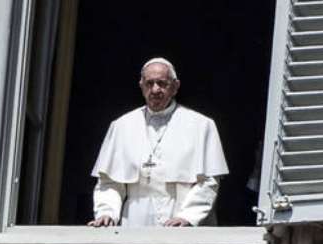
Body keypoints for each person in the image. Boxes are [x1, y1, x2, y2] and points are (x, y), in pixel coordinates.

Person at [88, 57, 229, 227]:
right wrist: (107, 212)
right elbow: (109, 182)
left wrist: (188, 217)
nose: (155, 89)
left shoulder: (202, 125)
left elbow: (209, 181)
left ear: (175, 87)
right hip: (134, 221)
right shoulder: (121, 125)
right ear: (141, 86)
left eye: (162, 83)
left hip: (181, 221)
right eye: (149, 83)